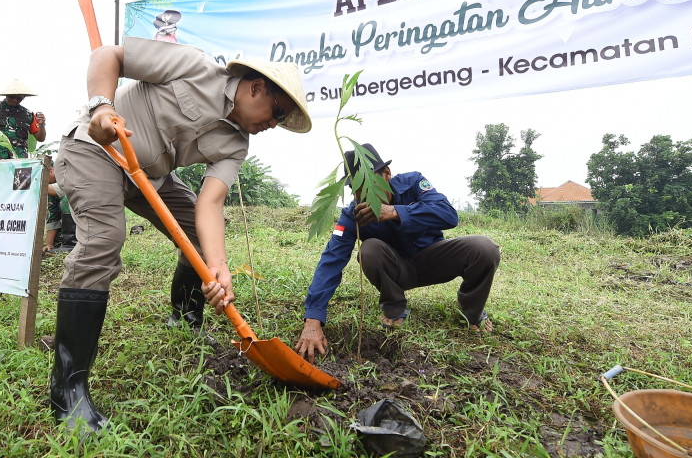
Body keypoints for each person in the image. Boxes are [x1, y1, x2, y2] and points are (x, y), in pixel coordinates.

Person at [50, 38, 311, 434]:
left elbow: (210, 205)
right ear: (257, 87)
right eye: (277, 112)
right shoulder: (195, 67)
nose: (272, 125)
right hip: (95, 151)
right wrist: (101, 106)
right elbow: (109, 55)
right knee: (104, 241)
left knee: (200, 238)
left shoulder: (237, 144)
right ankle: (67, 391)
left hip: (149, 176)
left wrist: (218, 268)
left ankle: (185, 318)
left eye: (279, 121)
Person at [294, 143, 501, 365]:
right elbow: (331, 260)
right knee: (369, 250)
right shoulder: (353, 215)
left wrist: (393, 212)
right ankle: (395, 309)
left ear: (387, 174)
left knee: (485, 248)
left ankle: (470, 308)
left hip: (434, 260)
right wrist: (313, 318)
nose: (364, 193)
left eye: (370, 183)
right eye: (357, 187)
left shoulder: (413, 183)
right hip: (396, 269)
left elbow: (448, 215)